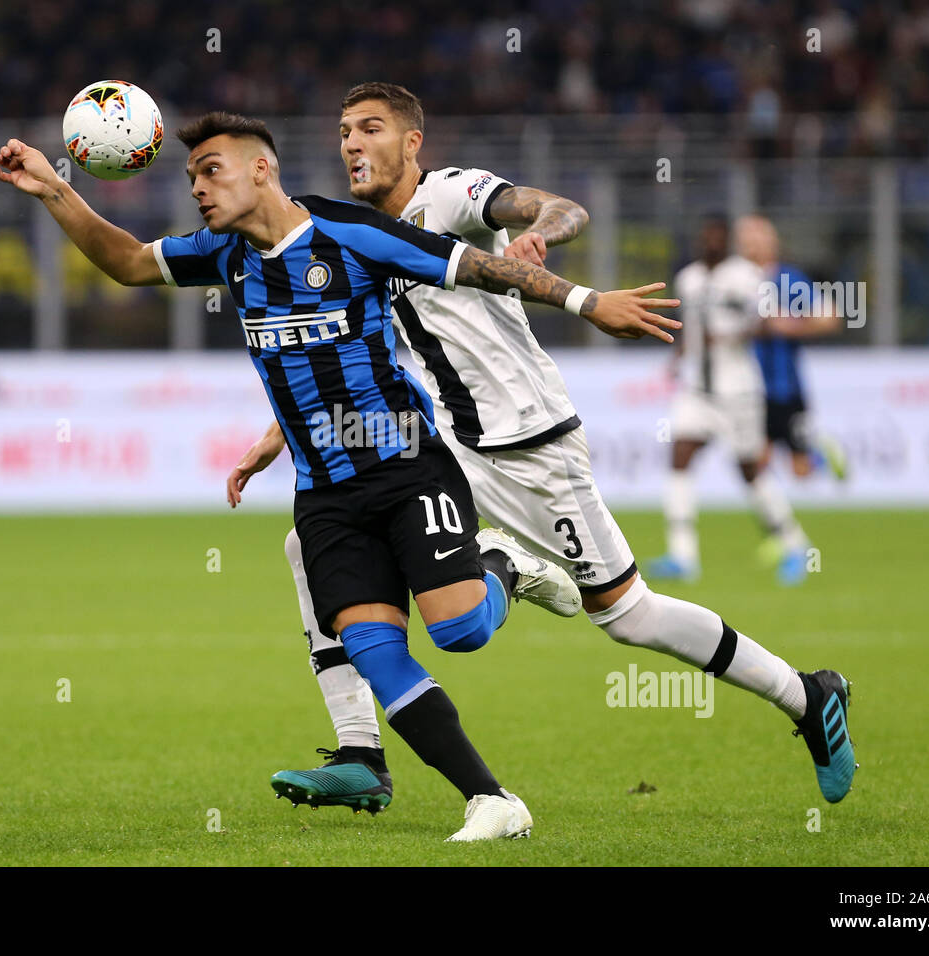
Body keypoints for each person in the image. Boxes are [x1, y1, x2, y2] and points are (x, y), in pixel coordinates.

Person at [0, 110, 680, 841]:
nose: (197, 187)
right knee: (375, 650)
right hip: (325, 492)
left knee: (460, 633)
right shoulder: (224, 254)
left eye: (211, 169)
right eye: (191, 175)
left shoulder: (350, 235)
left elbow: (474, 266)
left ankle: (503, 565)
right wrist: (52, 190)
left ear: (262, 170)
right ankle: (491, 800)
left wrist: (587, 301)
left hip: (409, 467)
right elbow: (128, 261)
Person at [228, 84, 856, 824]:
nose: (352, 144)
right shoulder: (355, 232)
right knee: (311, 543)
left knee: (627, 615)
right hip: (442, 446)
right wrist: (278, 435)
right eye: (342, 132)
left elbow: (560, 205)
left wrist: (544, 236)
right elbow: (357, 348)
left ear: (412, 142)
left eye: (371, 129)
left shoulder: (455, 195)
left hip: (529, 445)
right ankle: (361, 753)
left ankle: (805, 693)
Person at [646, 214, 814, 587]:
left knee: (750, 469)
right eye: (706, 237)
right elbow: (690, 328)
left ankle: (795, 544)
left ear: (727, 242)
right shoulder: (688, 278)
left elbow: (764, 323)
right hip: (697, 390)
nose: (711, 243)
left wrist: (730, 334)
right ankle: (682, 555)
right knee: (680, 455)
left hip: (738, 391)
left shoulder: (747, 277)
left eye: (718, 237)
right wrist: (677, 357)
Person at [736, 215, 849, 498]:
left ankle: (821, 452)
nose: (751, 245)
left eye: (757, 239)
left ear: (772, 243)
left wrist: (786, 325)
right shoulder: (735, 280)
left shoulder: (788, 280)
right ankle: (780, 534)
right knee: (754, 463)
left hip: (785, 387)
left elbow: (830, 318)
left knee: (800, 471)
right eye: (746, 240)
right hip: (747, 388)